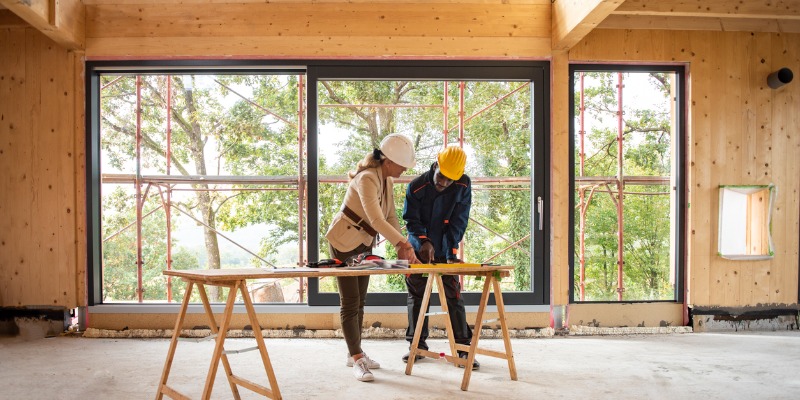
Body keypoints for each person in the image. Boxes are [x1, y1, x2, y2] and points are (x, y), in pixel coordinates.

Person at [325, 133, 421, 382]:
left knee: (360, 302)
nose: (404, 170)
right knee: (350, 301)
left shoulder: (386, 180)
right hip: (344, 242)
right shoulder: (367, 178)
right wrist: (403, 245)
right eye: (402, 165)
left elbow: (389, 218)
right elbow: (376, 220)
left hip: (362, 244)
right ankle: (357, 359)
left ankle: (354, 353)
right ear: (388, 161)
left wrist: (405, 247)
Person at [401, 145, 479, 370]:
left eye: (449, 181)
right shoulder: (416, 187)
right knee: (417, 297)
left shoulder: (463, 184)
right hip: (418, 248)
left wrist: (451, 250)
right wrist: (424, 241)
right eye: (441, 177)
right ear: (436, 165)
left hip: (446, 247)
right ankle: (416, 346)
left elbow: (459, 219)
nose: (444, 183)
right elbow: (411, 219)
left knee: (453, 296)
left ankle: (464, 349)